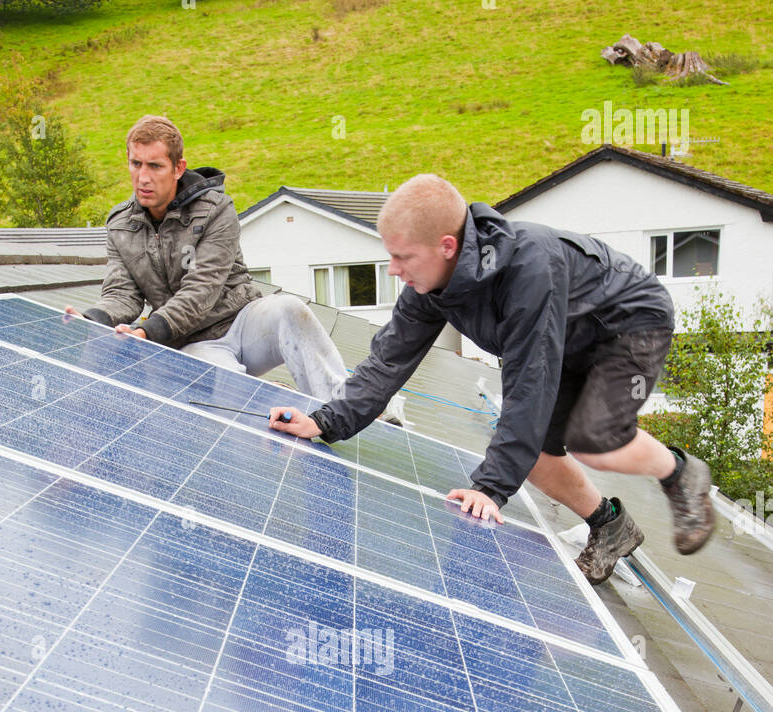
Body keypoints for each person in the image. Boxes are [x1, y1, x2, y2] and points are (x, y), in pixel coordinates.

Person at [267, 174, 714, 584]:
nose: (393, 269)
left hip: (626, 325)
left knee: (591, 439)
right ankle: (610, 525)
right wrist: (325, 422)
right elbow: (388, 359)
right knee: (535, 455)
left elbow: (528, 387)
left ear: (446, 245)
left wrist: (490, 489)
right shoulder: (433, 286)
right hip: (563, 336)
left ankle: (679, 473)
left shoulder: (529, 273)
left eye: (402, 256)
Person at [64, 114, 349, 401]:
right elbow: (122, 294)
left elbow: (201, 290)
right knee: (228, 391)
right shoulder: (121, 226)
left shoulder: (217, 210)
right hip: (194, 343)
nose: (144, 177)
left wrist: (147, 332)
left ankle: (344, 405)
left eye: (155, 166)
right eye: (136, 164)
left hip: (241, 322)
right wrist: (91, 319)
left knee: (289, 308)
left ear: (178, 168)